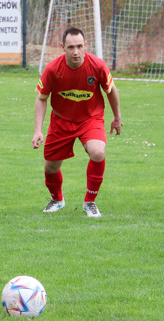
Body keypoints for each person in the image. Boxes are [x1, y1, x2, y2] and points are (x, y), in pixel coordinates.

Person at [33, 27, 123, 218]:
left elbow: (111, 91)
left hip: (91, 119)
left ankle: (90, 202)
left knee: (98, 151)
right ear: (62, 47)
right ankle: (57, 199)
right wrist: (37, 130)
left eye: (80, 46)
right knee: (50, 167)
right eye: (71, 47)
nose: (76, 51)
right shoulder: (52, 69)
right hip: (61, 121)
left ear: (85, 46)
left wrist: (117, 117)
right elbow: (42, 98)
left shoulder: (97, 66)